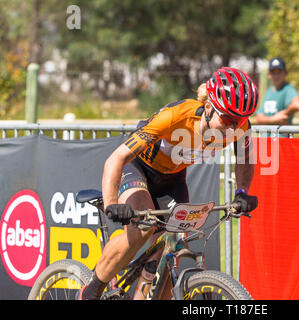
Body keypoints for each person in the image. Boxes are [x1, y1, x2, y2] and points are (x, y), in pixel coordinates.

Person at [78, 67, 259, 299]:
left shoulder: (240, 126)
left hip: (172, 178)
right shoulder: (175, 117)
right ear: (208, 107)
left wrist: (242, 192)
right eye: (227, 119)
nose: (233, 127)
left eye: (240, 120)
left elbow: (245, 159)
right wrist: (112, 205)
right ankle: (92, 289)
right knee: (143, 229)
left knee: (173, 244)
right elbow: (117, 158)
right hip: (138, 169)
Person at [255, 57, 299, 129]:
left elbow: (298, 104)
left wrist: (284, 114)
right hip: (266, 139)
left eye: (279, 72)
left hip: (281, 138)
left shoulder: (288, 89)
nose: (276, 76)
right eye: (273, 73)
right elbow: (259, 118)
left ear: (285, 73)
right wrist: (274, 119)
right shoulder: (269, 91)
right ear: (269, 74)